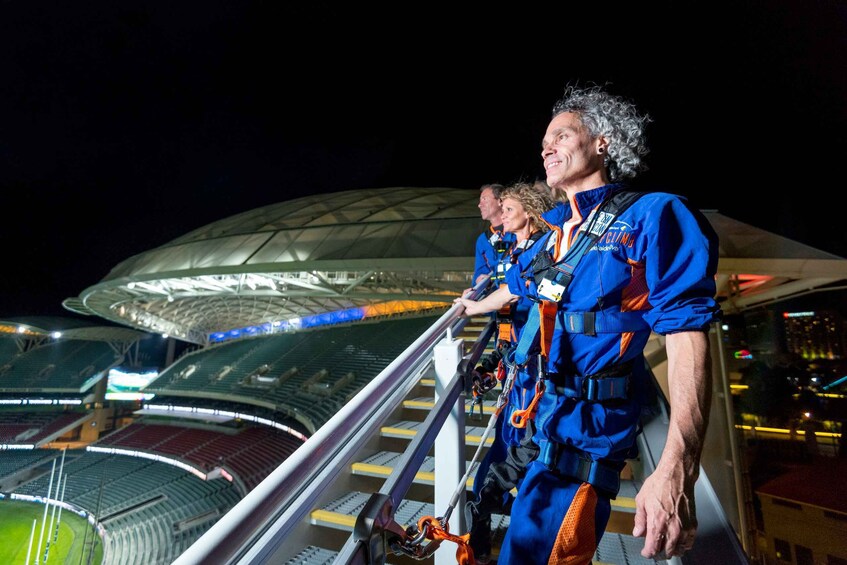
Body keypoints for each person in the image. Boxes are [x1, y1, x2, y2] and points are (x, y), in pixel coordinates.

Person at [455, 84, 722, 563]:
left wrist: (677, 466)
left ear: (603, 141)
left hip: (587, 440)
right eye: (543, 143)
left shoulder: (653, 215)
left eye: (561, 135)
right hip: (542, 420)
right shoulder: (552, 234)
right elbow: (515, 286)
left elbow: (686, 336)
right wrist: (471, 307)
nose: (546, 147)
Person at [465, 181, 555, 561]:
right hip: (519, 371)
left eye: (508, 208)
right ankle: (486, 529)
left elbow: (518, 294)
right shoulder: (516, 251)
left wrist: (475, 307)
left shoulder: (541, 251)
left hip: (534, 376)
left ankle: (510, 533)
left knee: (521, 458)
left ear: (530, 214)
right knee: (502, 457)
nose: (501, 215)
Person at [472, 183, 514, 288]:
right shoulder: (483, 240)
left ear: (500, 201)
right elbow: (480, 272)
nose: (479, 204)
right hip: (496, 297)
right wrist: (478, 280)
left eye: (484, 199)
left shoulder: (518, 230)